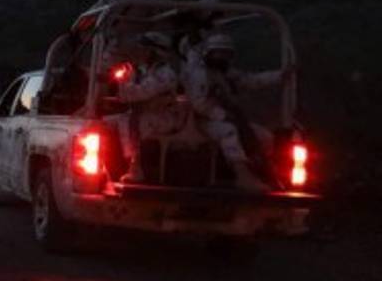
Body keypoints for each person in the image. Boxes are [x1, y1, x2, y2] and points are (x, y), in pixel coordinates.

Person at [182, 33, 286, 190]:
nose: (223, 58)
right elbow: (199, 104)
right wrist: (224, 116)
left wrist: (281, 75)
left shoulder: (226, 74)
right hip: (201, 120)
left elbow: (251, 80)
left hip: (226, 118)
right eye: (220, 53)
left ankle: (262, 172)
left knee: (264, 137)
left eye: (227, 54)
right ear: (210, 53)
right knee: (229, 132)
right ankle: (242, 176)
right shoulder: (200, 74)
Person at [114, 32, 184, 182]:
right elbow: (125, 97)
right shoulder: (145, 71)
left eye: (144, 48)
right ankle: (113, 166)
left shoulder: (165, 74)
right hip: (149, 112)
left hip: (165, 116)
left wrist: (126, 81)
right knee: (104, 122)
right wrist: (127, 83)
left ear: (155, 52)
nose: (140, 52)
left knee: (130, 121)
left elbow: (138, 94)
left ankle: (136, 167)